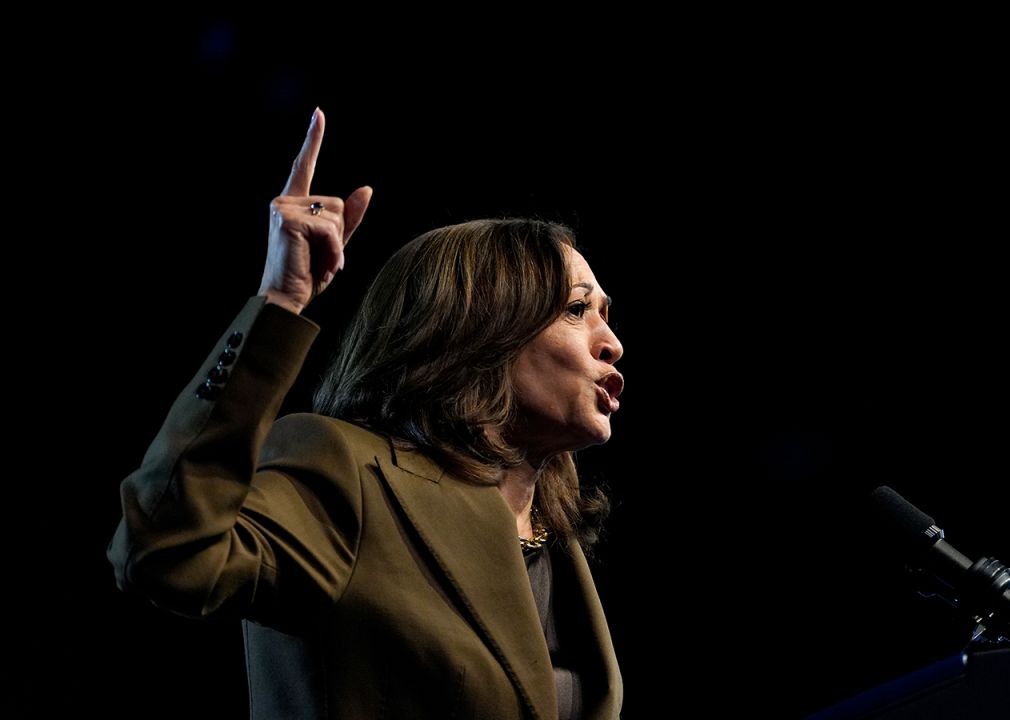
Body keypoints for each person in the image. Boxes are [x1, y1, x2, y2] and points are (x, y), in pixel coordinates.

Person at [107, 108, 625, 720]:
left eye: (607, 316)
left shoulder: (554, 545)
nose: (611, 342)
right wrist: (279, 302)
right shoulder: (349, 473)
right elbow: (166, 551)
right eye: (576, 310)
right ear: (484, 328)